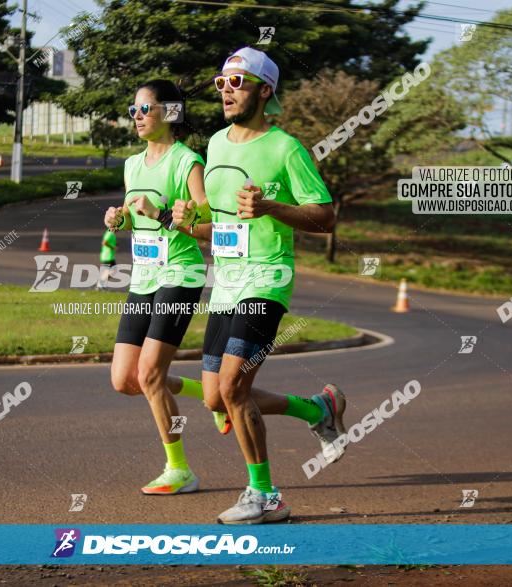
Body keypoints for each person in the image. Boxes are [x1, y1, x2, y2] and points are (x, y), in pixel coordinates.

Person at [173, 47, 348, 524]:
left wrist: (271, 207)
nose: (227, 91)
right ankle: (318, 410)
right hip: (226, 282)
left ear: (265, 90)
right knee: (216, 397)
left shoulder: (285, 148)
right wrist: (188, 220)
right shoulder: (216, 144)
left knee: (232, 387)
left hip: (267, 279)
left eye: (238, 82)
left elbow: (325, 217)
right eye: (221, 82)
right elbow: (218, 220)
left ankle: (266, 496)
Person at [103, 79, 213, 495]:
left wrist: (164, 213)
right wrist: (120, 219)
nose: (137, 118)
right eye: (133, 111)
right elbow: (135, 216)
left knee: (150, 374)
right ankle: (207, 392)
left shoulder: (188, 161)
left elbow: (208, 224)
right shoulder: (132, 165)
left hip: (181, 273)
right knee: (125, 380)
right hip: (145, 275)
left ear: (169, 113)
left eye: (144, 109)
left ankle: (179, 469)